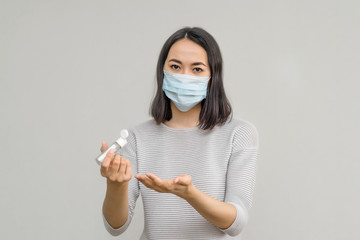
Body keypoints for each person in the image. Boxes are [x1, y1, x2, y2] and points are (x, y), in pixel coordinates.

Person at [99, 27, 259, 239]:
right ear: (162, 71)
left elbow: (235, 223)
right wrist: (115, 184)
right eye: (175, 66)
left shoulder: (239, 134)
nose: (184, 77)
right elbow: (116, 227)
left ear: (213, 76)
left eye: (197, 69)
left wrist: (190, 194)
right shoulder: (135, 137)